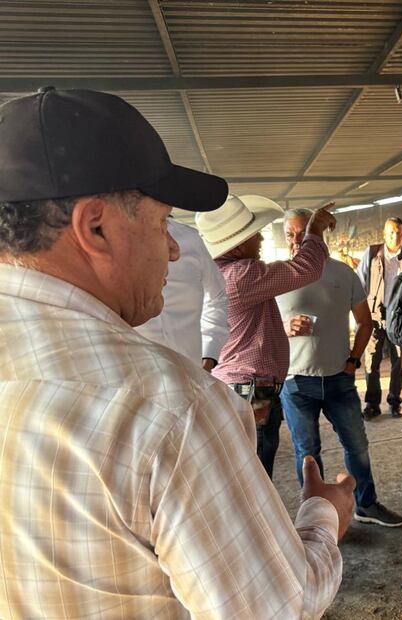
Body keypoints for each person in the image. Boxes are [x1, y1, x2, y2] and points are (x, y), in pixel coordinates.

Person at [0, 87, 355, 618]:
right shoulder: (168, 404)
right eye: (162, 220)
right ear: (95, 227)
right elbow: (275, 607)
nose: (172, 248)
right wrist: (323, 518)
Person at [278, 209, 402, 528]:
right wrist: (284, 327)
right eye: (290, 234)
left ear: (318, 234)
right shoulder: (278, 276)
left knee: (357, 446)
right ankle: (316, 516)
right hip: (295, 382)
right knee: (307, 453)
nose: (297, 240)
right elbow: (258, 328)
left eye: (303, 233)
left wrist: (353, 360)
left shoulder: (343, 273)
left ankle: (366, 504)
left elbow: (365, 322)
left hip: (339, 378)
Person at [195, 195, 336, 480]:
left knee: (248, 467)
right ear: (237, 245)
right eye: (254, 235)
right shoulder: (242, 275)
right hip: (251, 389)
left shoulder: (218, 274)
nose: (260, 239)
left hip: (240, 386)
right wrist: (314, 230)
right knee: (256, 471)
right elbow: (306, 268)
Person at [136, 217, 229, 371]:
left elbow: (217, 296)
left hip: (192, 373)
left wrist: (209, 353)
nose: (173, 251)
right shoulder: (109, 243)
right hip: (136, 375)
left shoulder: (190, 239)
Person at [356, 217, 402, 419]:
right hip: (374, 317)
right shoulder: (372, 254)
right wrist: (361, 314)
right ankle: (372, 404)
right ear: (384, 234)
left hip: (398, 319)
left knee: (398, 361)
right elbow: (360, 283)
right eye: (391, 232)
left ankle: (394, 401)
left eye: (399, 233)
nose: (395, 236)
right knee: (371, 361)